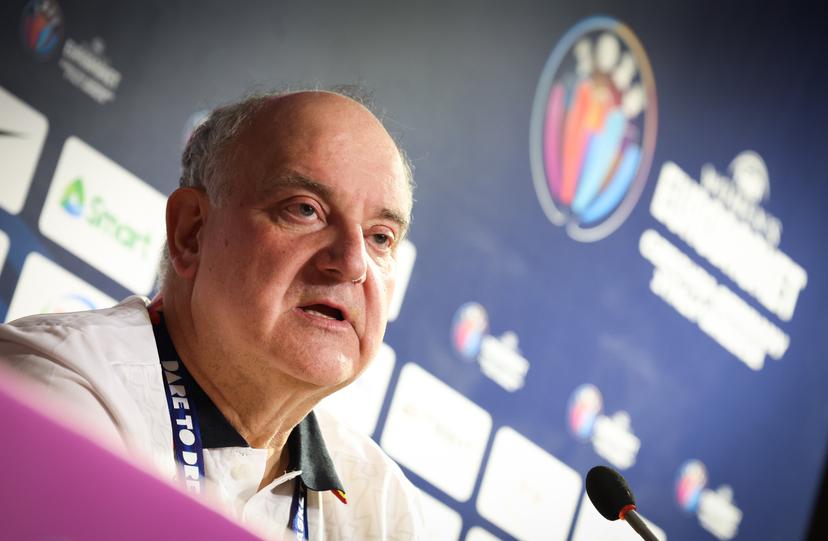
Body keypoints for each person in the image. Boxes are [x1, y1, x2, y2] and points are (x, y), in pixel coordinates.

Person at [0, 89, 424, 539]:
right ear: (191, 232)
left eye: (381, 237)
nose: (353, 262)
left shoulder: (382, 503)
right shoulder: (52, 391)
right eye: (305, 210)